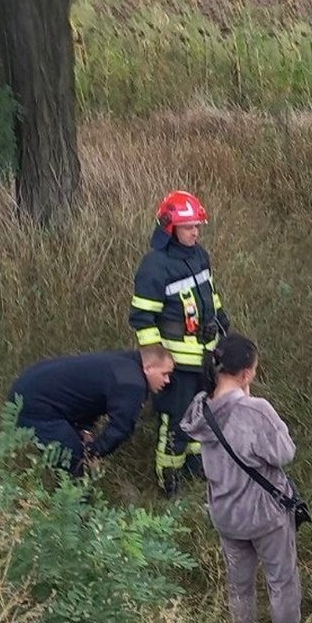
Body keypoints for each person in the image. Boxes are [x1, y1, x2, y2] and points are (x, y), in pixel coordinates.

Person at [180, 334, 312, 623]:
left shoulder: (201, 409)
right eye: (255, 370)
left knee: (240, 586)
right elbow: (284, 452)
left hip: (226, 514)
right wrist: (255, 406)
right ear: (245, 373)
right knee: (282, 584)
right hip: (265, 515)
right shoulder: (255, 410)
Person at [129, 190, 230, 496]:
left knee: (203, 412)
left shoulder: (199, 255)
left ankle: (195, 466)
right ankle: (169, 481)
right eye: (189, 227)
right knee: (176, 420)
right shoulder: (155, 266)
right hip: (176, 362)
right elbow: (142, 318)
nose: (195, 232)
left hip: (205, 355)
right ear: (170, 228)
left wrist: (220, 317)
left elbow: (209, 294)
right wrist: (158, 360)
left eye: (198, 226)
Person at [8, 348, 174, 476]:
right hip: (35, 403)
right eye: (165, 374)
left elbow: (89, 396)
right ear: (148, 368)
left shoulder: (123, 364)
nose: (167, 381)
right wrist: (93, 452)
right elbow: (121, 427)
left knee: (74, 456)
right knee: (73, 461)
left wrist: (85, 431)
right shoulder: (132, 383)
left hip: (31, 388)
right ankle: (73, 509)